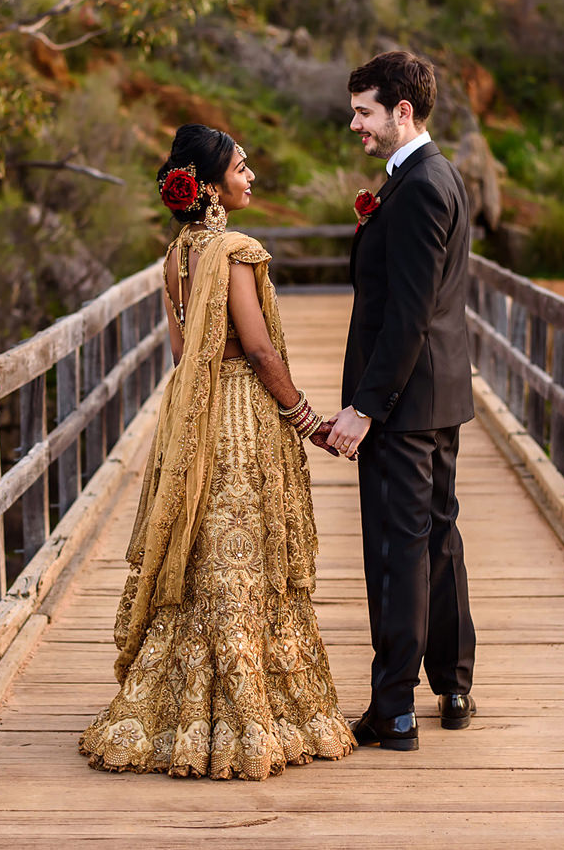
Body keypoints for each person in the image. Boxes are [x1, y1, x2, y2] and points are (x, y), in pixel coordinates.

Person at [80, 124, 356, 780]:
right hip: (237, 419)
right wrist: (308, 420)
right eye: (240, 167)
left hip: (190, 416)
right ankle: (248, 715)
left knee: (205, 553)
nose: (251, 175)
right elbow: (259, 350)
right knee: (245, 560)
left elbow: (181, 355)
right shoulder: (235, 252)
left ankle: (181, 713)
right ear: (208, 185)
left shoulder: (175, 256)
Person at [325, 51, 477, 751]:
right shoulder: (437, 175)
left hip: (406, 403)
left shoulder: (416, 187)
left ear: (401, 112)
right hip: (437, 395)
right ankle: (452, 683)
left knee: (398, 548)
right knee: (437, 538)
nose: (354, 122)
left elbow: (410, 313)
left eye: (364, 111)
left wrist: (365, 406)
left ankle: (395, 709)